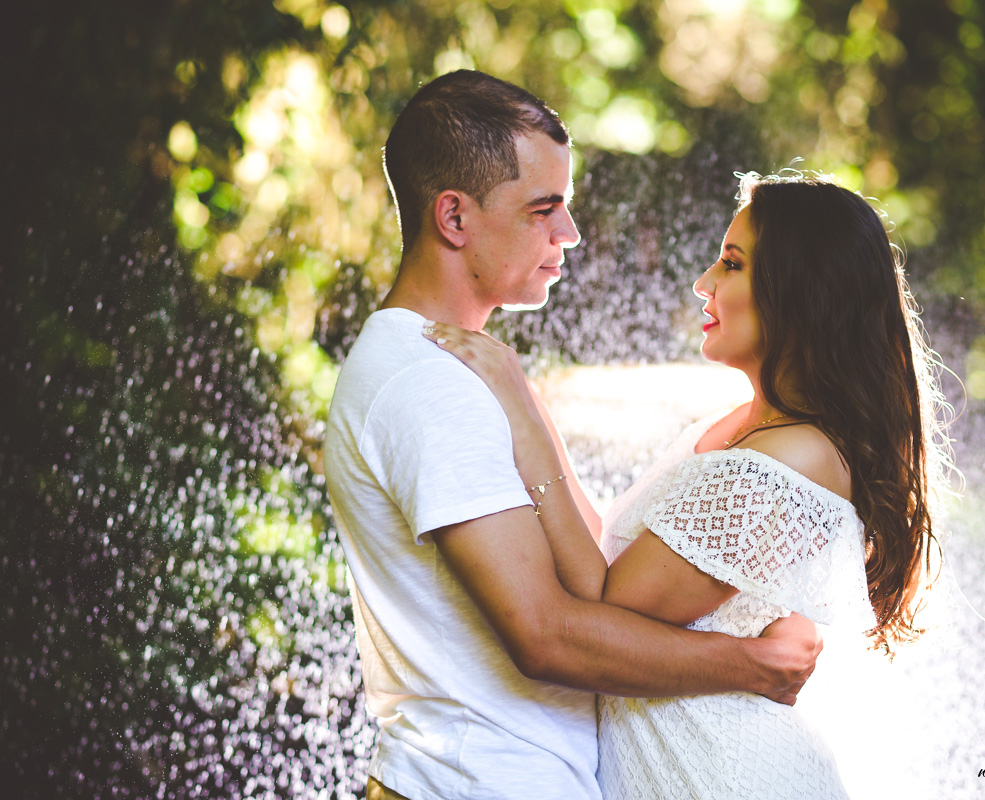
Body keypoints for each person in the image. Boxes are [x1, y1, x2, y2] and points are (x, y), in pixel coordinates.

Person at [323, 71, 823, 800]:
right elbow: (545, 633)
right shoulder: (426, 384)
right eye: (543, 208)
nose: (571, 233)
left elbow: (586, 577)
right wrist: (751, 665)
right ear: (454, 219)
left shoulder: (450, 368)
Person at [427, 171, 952, 799]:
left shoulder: (791, 460)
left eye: (731, 264)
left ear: (803, 292)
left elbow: (603, 603)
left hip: (721, 777)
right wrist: (531, 409)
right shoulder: (742, 427)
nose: (704, 283)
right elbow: (615, 561)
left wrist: (524, 425)